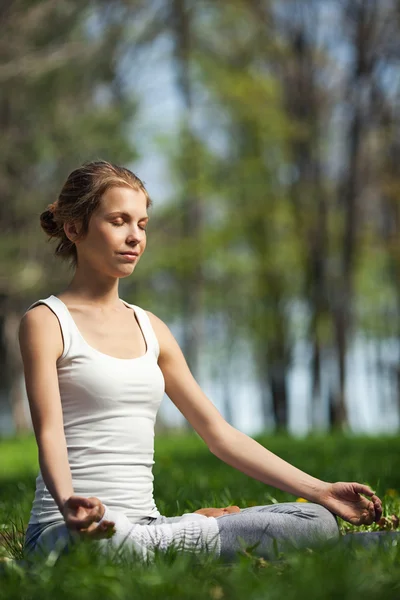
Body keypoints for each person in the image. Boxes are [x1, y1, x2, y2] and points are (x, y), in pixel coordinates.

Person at [19, 160, 382, 564]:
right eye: (119, 221)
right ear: (74, 229)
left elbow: (218, 434)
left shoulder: (150, 327)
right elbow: (49, 432)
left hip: (146, 525)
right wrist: (69, 502)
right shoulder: (47, 321)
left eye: (142, 224)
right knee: (100, 544)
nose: (134, 237)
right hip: (63, 530)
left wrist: (321, 490)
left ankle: (167, 539)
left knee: (314, 519)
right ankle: (186, 538)